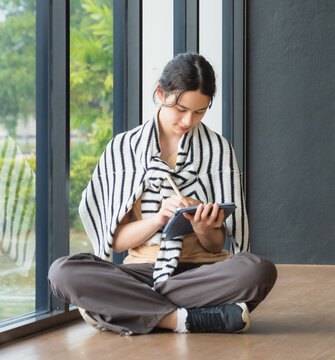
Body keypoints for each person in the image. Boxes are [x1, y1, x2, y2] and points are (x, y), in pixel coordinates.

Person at [48, 52, 277, 337]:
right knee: (63, 272)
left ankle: (127, 310)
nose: (188, 120)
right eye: (181, 109)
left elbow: (218, 245)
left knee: (258, 271)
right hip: (141, 272)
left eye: (200, 111)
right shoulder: (123, 149)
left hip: (202, 274)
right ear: (160, 93)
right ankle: (186, 319)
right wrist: (160, 218)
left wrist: (204, 227)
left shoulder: (218, 150)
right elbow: (117, 242)